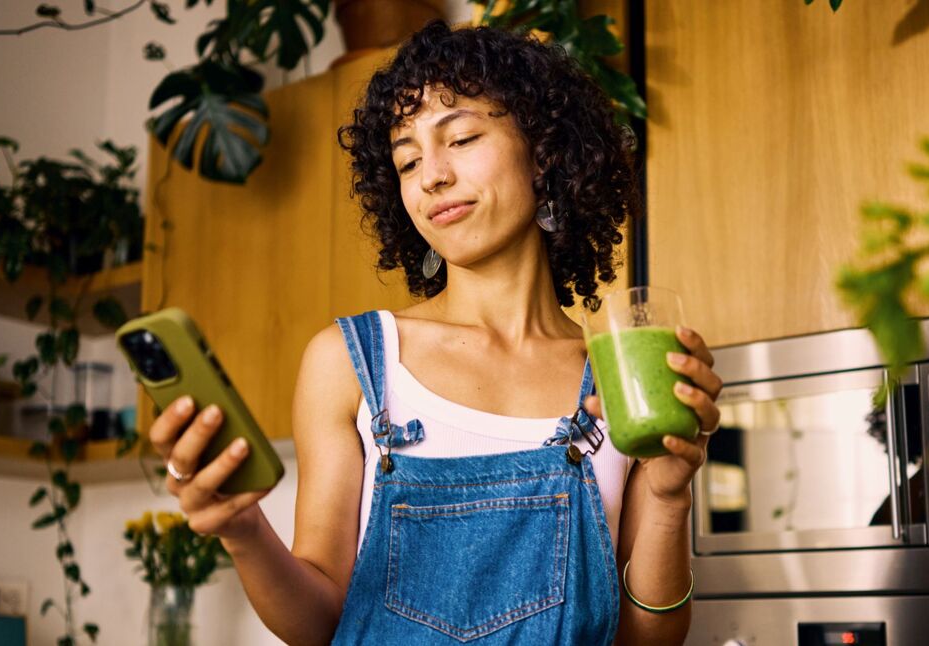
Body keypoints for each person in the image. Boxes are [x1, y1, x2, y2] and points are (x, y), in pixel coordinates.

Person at [149, 20, 722, 646]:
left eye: (463, 138)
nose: (432, 177)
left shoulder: (615, 379)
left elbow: (649, 640)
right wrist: (243, 530)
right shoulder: (352, 362)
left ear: (545, 152)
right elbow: (317, 625)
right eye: (408, 160)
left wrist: (669, 498)